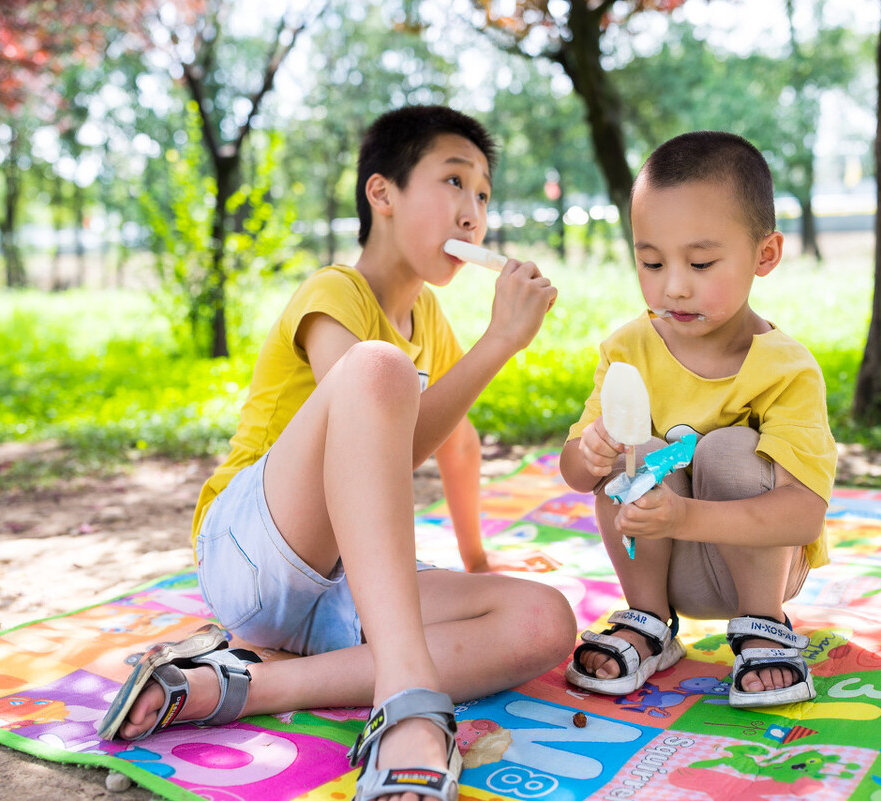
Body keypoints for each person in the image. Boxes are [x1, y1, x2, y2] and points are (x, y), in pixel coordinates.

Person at [99, 105, 577, 801]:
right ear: (381, 193)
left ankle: (232, 685)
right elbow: (381, 441)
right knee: (378, 371)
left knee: (543, 620)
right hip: (252, 550)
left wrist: (477, 567)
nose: (472, 212)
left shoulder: (431, 321)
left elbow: (459, 445)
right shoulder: (335, 291)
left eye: (482, 194)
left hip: (341, 587)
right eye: (453, 181)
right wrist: (498, 342)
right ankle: (406, 697)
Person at [558, 131, 836, 709]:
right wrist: (589, 453)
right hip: (658, 563)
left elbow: (804, 515)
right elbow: (577, 475)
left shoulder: (785, 369)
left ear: (765, 254)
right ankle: (650, 623)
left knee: (730, 449)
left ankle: (764, 629)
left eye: (701, 262)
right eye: (651, 261)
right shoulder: (628, 350)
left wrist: (683, 513)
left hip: (756, 569)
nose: (673, 286)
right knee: (634, 449)